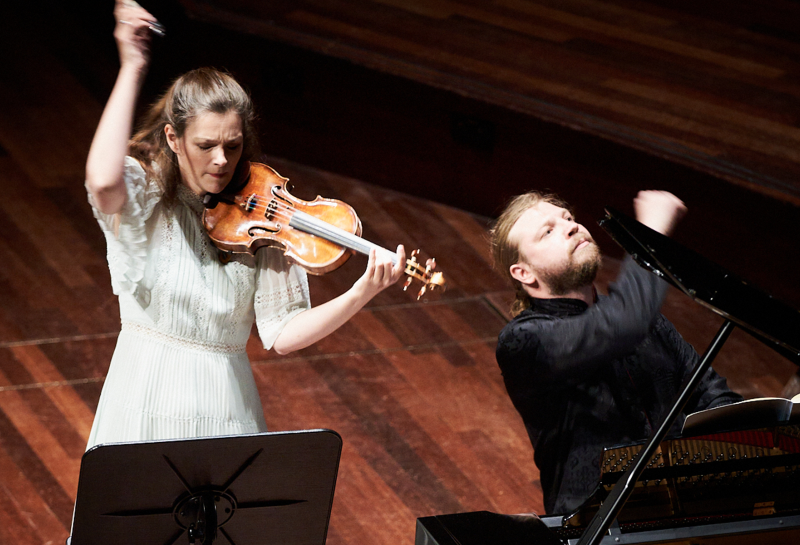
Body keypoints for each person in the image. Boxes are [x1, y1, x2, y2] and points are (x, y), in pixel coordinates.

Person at [83, 2, 408, 448]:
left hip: (226, 408)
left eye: (232, 146)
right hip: (142, 399)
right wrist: (132, 67)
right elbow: (103, 181)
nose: (221, 160)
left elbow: (284, 334)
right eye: (205, 145)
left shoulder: (264, 221)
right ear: (173, 138)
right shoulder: (146, 200)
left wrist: (360, 293)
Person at [489, 190, 741, 515]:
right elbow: (622, 324)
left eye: (568, 218)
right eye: (547, 231)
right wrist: (650, 232)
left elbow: (710, 393)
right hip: (602, 522)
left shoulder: (643, 318)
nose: (571, 226)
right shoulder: (523, 341)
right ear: (524, 273)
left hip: (690, 502)